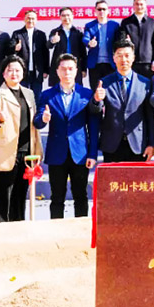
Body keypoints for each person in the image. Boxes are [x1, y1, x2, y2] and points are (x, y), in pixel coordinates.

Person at [36, 54, 98, 219]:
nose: (67, 73)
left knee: (81, 196)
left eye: (70, 69)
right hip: (57, 153)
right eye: (63, 69)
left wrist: (92, 153)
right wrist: (43, 119)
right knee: (57, 197)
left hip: (80, 153)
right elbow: (37, 121)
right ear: (57, 71)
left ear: (76, 71)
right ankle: (56, 231)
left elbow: (93, 126)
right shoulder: (47, 95)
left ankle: (81, 230)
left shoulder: (86, 94)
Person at [0, 55, 44, 222]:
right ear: (4, 73)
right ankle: (0, 230)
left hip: (26, 152)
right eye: (10, 70)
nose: (14, 74)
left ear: (23, 73)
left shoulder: (29, 94)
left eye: (18, 70)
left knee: (20, 197)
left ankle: (19, 229)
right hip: (5, 152)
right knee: (3, 197)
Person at [90, 40, 154, 162]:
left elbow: (149, 116)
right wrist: (96, 100)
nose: (123, 59)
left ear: (133, 58)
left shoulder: (145, 83)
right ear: (114, 58)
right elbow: (95, 111)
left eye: (127, 55)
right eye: (119, 55)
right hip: (112, 145)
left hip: (138, 144)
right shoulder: (104, 83)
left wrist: (151, 144)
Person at [12, 10, 50, 105]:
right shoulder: (17, 34)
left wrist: (46, 70)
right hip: (22, 72)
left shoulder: (41, 34)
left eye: (33, 18)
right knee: (22, 98)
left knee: (36, 97)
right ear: (24, 19)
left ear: (36, 20)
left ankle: (35, 114)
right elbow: (10, 50)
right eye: (28, 18)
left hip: (37, 72)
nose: (30, 20)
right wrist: (15, 48)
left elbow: (45, 53)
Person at [119, 0, 154, 78]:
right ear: (133, 6)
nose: (139, 7)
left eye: (141, 4)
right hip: (131, 61)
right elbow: (121, 39)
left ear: (145, 6)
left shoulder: (152, 22)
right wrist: (125, 42)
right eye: (137, 4)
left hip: (147, 62)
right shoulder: (126, 22)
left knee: (147, 85)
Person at [83, 0, 120, 88]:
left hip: (111, 64)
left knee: (111, 90)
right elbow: (85, 38)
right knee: (95, 89)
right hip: (95, 64)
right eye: (99, 9)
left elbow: (119, 41)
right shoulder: (90, 25)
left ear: (108, 11)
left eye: (104, 9)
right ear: (95, 11)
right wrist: (89, 43)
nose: (102, 11)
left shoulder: (114, 25)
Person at [48, 7, 86, 87]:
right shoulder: (56, 31)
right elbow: (48, 45)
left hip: (74, 66)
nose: (66, 18)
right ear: (60, 17)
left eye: (68, 15)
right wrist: (53, 41)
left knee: (76, 89)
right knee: (57, 89)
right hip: (60, 66)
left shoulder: (78, 32)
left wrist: (83, 69)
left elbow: (83, 52)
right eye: (63, 15)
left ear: (72, 16)